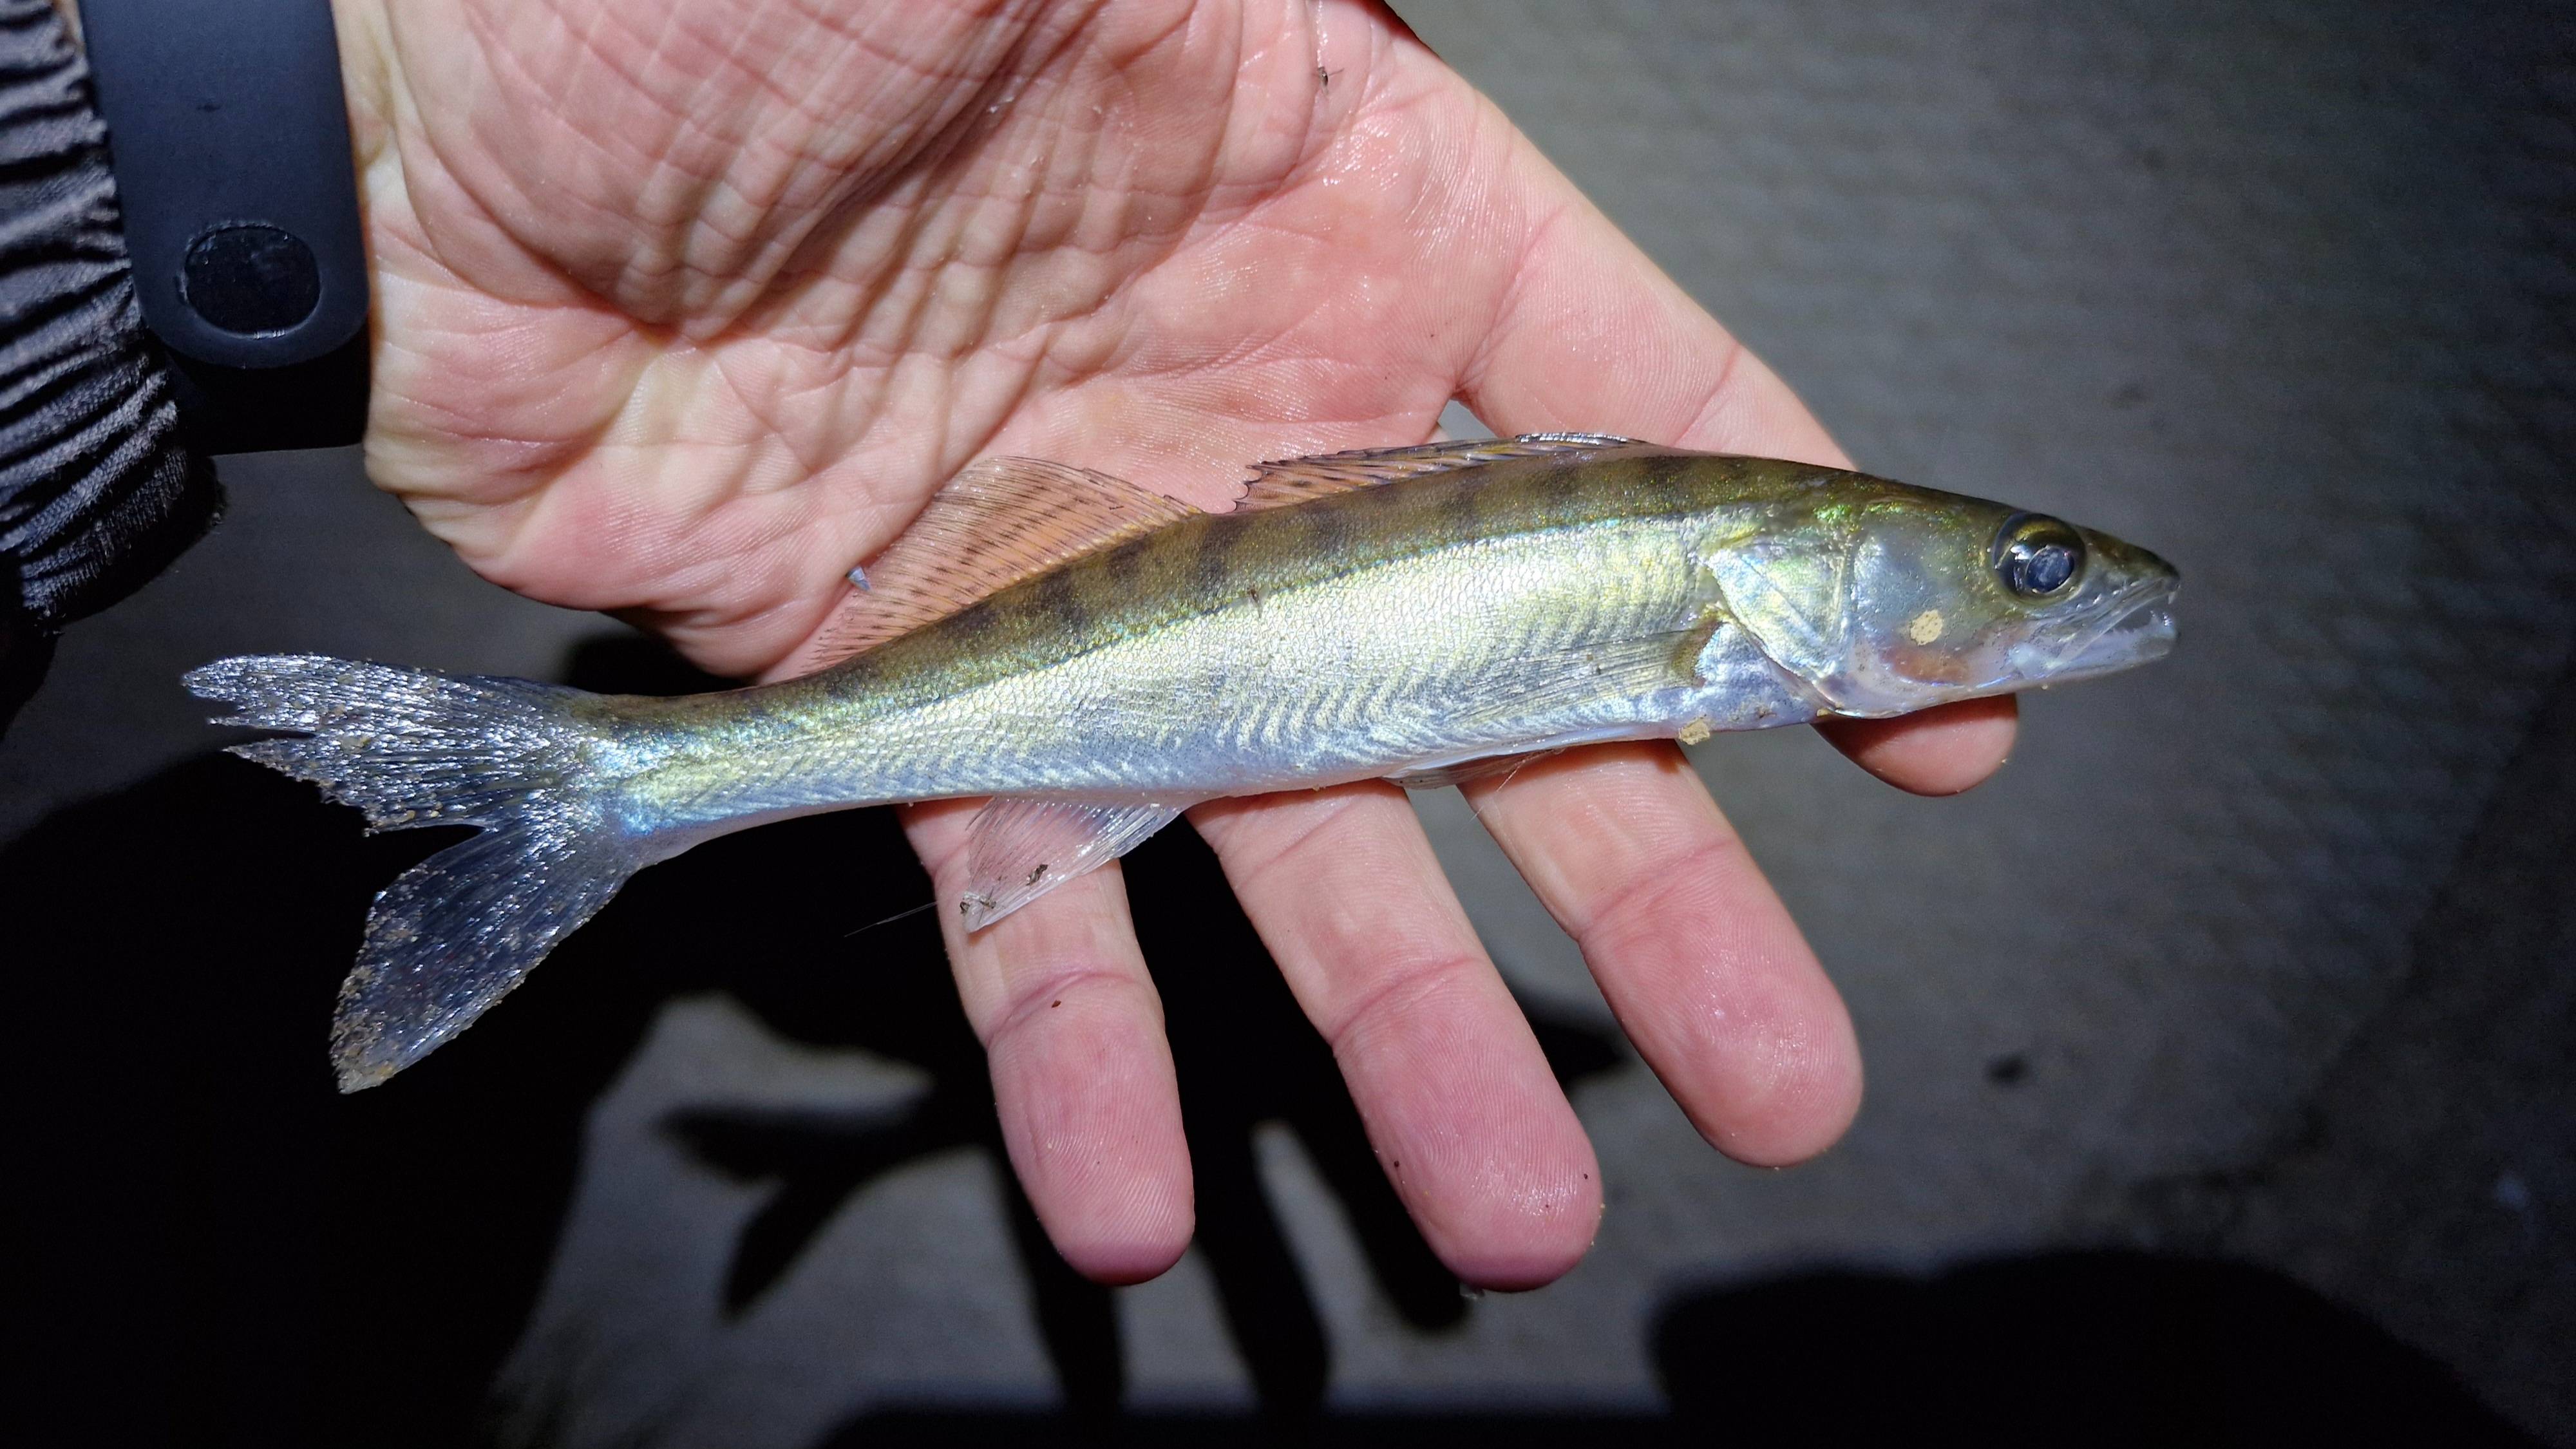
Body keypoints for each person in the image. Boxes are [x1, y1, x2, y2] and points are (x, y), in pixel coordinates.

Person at [1, 0, 2016, 1291]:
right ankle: (621, 784)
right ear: (1832, 562)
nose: (2038, 604)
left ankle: (624, 786)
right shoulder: (1723, 559)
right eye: (2024, 573)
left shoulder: (1733, 567)